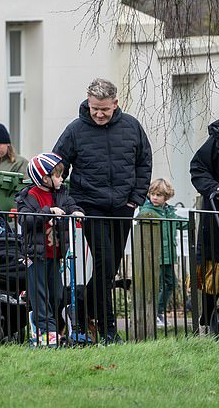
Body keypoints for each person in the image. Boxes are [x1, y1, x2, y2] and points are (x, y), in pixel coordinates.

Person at [52, 78, 152, 344]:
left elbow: (144, 162)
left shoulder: (132, 127)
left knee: (109, 270)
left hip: (123, 207)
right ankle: (108, 330)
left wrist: (136, 198)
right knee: (105, 262)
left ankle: (80, 309)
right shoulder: (74, 131)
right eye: (94, 108)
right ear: (88, 102)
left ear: (115, 104)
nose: (98, 113)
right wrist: (67, 203)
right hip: (89, 207)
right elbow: (57, 168)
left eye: (104, 109)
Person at [15, 153, 83, 347]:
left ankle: (45, 325)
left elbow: (71, 206)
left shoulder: (60, 194)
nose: (62, 179)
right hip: (36, 256)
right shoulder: (28, 196)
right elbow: (25, 219)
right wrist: (48, 212)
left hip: (55, 254)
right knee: (40, 294)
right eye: (58, 175)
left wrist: (77, 212)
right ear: (45, 178)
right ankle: (45, 333)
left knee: (57, 294)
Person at [137, 178, 187, 328]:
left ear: (166, 197)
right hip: (154, 255)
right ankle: (152, 314)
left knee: (171, 284)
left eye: (159, 195)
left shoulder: (168, 211)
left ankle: (158, 312)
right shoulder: (147, 211)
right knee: (155, 286)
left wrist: (193, 220)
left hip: (168, 255)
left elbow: (181, 222)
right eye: (152, 194)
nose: (154, 197)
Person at [190, 119, 219, 329]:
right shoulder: (216, 140)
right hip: (217, 212)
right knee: (214, 272)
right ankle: (208, 322)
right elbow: (198, 167)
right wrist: (214, 189)